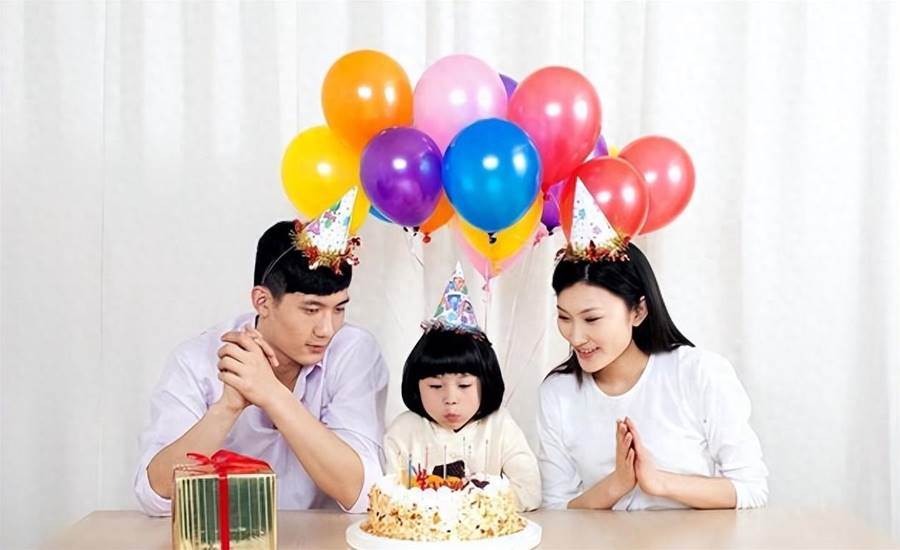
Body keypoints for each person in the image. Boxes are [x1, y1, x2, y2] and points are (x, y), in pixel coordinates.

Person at [134, 188, 389, 515]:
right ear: (262, 301)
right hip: (225, 535)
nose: (327, 329)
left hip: (326, 538)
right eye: (311, 310)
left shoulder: (353, 351)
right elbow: (155, 495)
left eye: (338, 309)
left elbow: (363, 493)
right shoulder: (197, 359)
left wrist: (272, 394)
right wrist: (227, 407)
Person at [538, 180, 768, 511]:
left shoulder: (698, 373)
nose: (575, 336)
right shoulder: (558, 393)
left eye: (592, 319)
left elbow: (751, 489)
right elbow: (558, 510)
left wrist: (659, 482)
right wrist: (616, 484)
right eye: (564, 317)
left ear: (638, 311)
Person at [383, 263, 541, 511]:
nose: (450, 398)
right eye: (436, 386)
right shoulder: (403, 432)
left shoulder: (500, 426)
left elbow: (529, 492)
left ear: (485, 382)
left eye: (464, 385)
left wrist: (473, 505)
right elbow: (389, 497)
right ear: (416, 385)